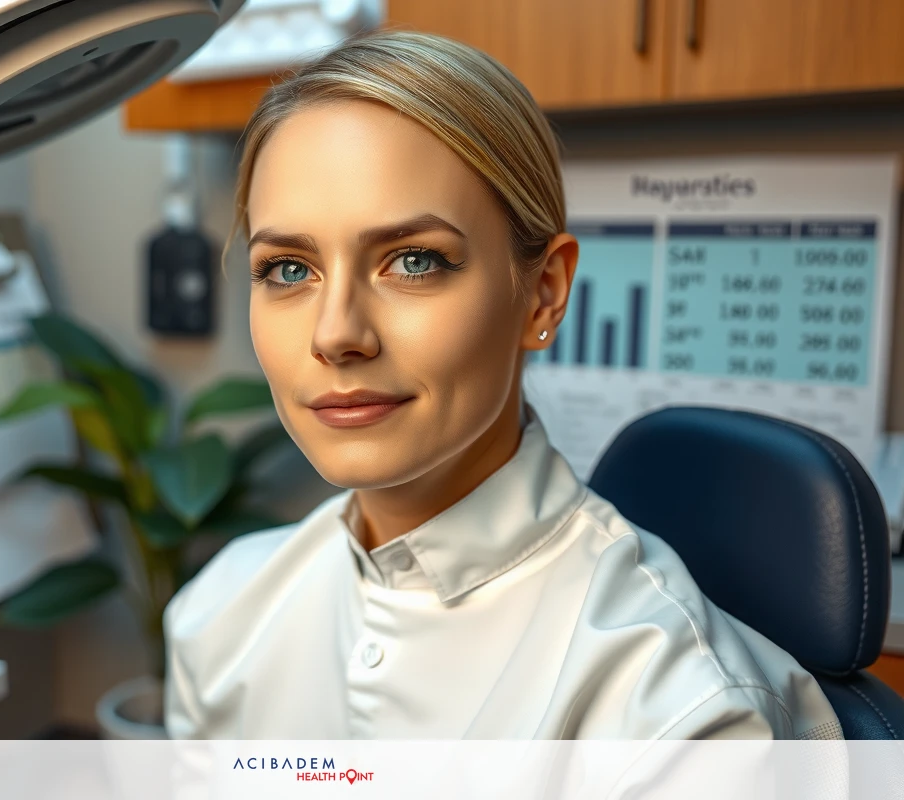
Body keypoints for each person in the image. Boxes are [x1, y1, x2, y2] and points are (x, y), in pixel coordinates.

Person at [162, 29, 841, 740]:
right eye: (289, 270)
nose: (335, 334)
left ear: (542, 295)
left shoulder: (677, 710)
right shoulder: (219, 618)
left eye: (414, 260)